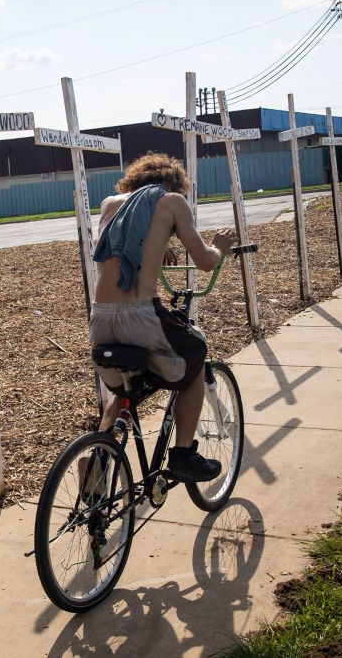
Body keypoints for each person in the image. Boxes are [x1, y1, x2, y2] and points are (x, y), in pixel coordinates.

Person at [89, 151, 236, 483]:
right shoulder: (172, 202)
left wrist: (156, 248)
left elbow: (125, 243)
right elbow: (205, 261)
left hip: (100, 320)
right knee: (195, 354)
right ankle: (183, 455)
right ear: (173, 183)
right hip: (140, 316)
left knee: (125, 390)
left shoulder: (110, 203)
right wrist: (219, 245)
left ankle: (99, 463)